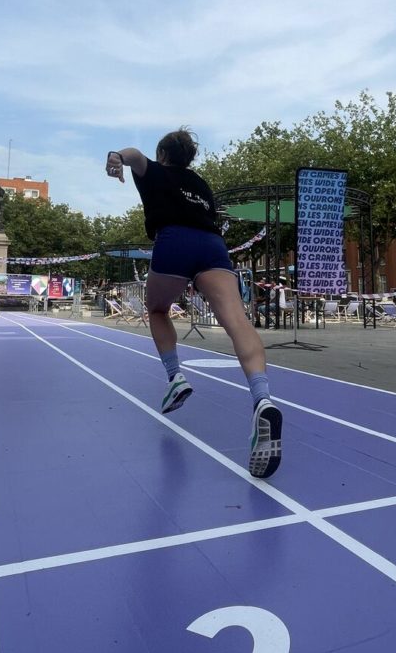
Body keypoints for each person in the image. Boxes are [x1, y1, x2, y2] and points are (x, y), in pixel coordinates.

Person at [106, 129, 282, 478]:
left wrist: (116, 157)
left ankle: (175, 377)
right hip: (212, 247)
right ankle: (262, 398)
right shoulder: (201, 185)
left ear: (163, 154)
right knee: (238, 322)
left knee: (157, 309)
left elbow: (135, 155)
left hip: (174, 240)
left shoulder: (155, 170)